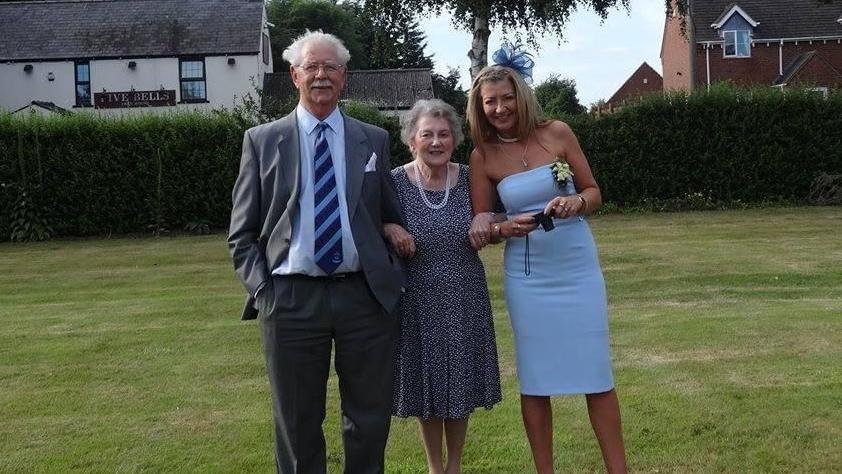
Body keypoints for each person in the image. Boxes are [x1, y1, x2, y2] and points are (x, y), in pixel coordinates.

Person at [228, 30, 405, 473]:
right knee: (297, 420)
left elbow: (388, 212)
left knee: (368, 419)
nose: (321, 75)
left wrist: (389, 266)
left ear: (344, 77)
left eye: (331, 67)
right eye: (312, 67)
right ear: (294, 75)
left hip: (363, 298)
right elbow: (241, 233)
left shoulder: (373, 139)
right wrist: (264, 291)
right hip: (289, 300)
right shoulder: (262, 140)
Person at [466, 43, 628, 473]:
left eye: (505, 99)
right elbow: (483, 224)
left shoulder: (558, 133)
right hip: (529, 278)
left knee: (597, 373)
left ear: (521, 96)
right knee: (536, 382)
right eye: (490, 102)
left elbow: (594, 191)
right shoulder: (482, 157)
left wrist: (577, 202)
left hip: (577, 268)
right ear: (479, 108)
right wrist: (502, 228)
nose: (499, 108)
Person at [383, 99, 502, 474]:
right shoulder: (394, 181)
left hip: (465, 292)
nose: (436, 142)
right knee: (427, 383)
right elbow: (369, 221)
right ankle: (436, 467)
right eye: (427, 135)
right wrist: (390, 227)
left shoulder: (470, 177)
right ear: (412, 141)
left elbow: (493, 218)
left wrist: (489, 222)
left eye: (444, 134)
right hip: (416, 296)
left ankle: (455, 466)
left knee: (461, 379)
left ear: (454, 139)